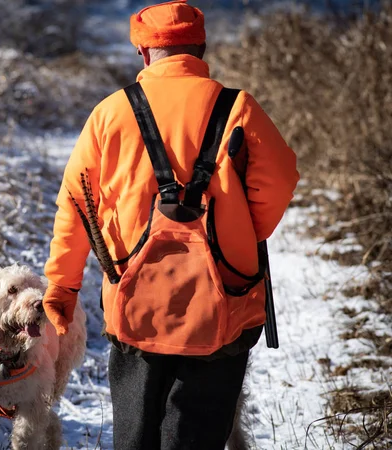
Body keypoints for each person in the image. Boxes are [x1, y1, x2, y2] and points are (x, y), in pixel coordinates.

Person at [43, 1, 300, 448]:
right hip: (226, 303)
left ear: (144, 52)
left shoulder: (110, 113)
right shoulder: (238, 107)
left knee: (136, 436)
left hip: (134, 304)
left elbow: (77, 206)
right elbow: (280, 180)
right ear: (201, 50)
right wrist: (239, 234)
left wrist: (62, 287)